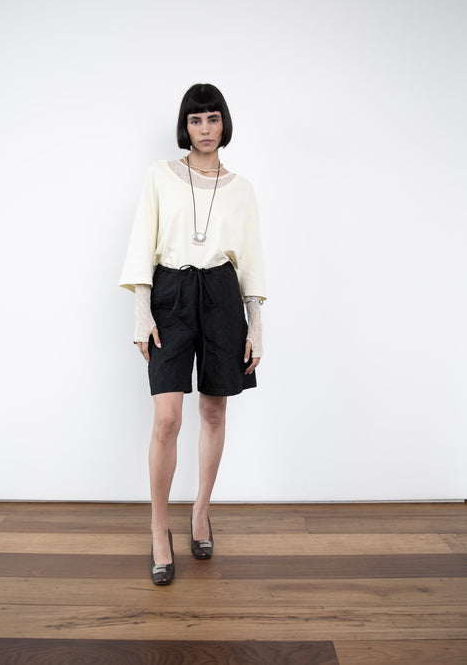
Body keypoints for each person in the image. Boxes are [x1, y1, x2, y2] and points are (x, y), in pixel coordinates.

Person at [119, 83, 266, 585]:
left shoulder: (242, 189)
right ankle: (158, 528)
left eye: (213, 118)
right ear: (185, 126)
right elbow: (142, 243)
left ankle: (200, 511)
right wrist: (143, 313)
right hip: (171, 293)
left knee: (213, 410)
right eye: (196, 120)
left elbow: (250, 262)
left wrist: (256, 327)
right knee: (166, 419)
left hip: (222, 295)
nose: (205, 129)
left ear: (225, 124)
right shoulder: (160, 176)